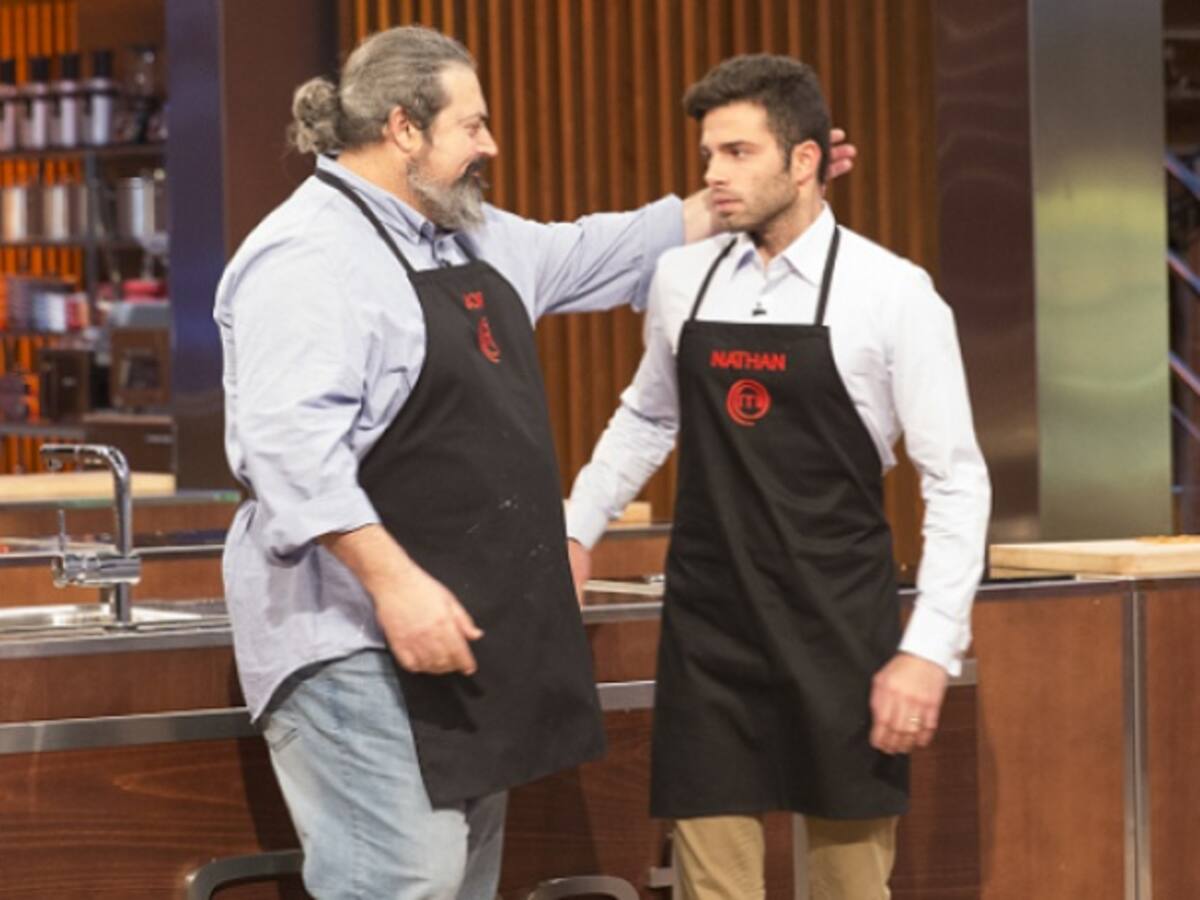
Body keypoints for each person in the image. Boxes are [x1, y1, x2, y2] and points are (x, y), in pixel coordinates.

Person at [216, 25, 857, 900]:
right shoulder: (306, 256)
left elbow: (603, 249)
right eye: (471, 125)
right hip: (353, 637)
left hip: (461, 634)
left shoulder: (466, 234)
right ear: (404, 129)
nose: (490, 145)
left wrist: (753, 191)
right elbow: (286, 451)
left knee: (459, 886)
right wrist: (396, 585)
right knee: (406, 881)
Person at [566, 54, 991, 900]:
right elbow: (648, 418)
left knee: (848, 885)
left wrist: (928, 649)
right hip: (710, 628)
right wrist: (576, 528)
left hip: (838, 628)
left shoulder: (893, 293)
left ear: (805, 162)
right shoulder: (681, 279)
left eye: (737, 153)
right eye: (708, 156)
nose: (713, 176)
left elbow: (956, 481)